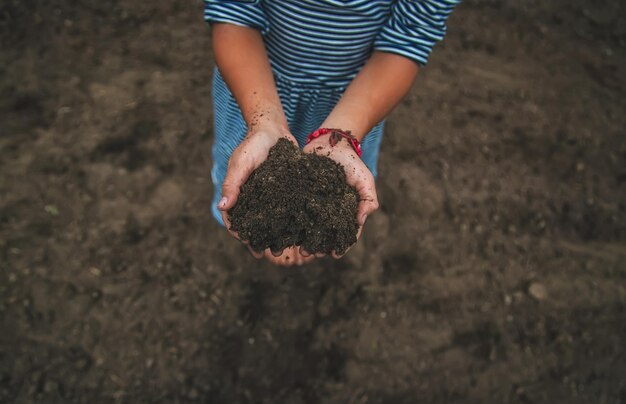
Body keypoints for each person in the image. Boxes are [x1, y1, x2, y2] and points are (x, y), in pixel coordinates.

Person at [204, 0, 460, 266]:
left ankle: (301, 235)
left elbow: (409, 36)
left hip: (357, 102)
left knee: (333, 184)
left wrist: (339, 135)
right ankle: (267, 232)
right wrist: (263, 120)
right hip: (252, 87)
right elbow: (232, 11)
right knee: (248, 173)